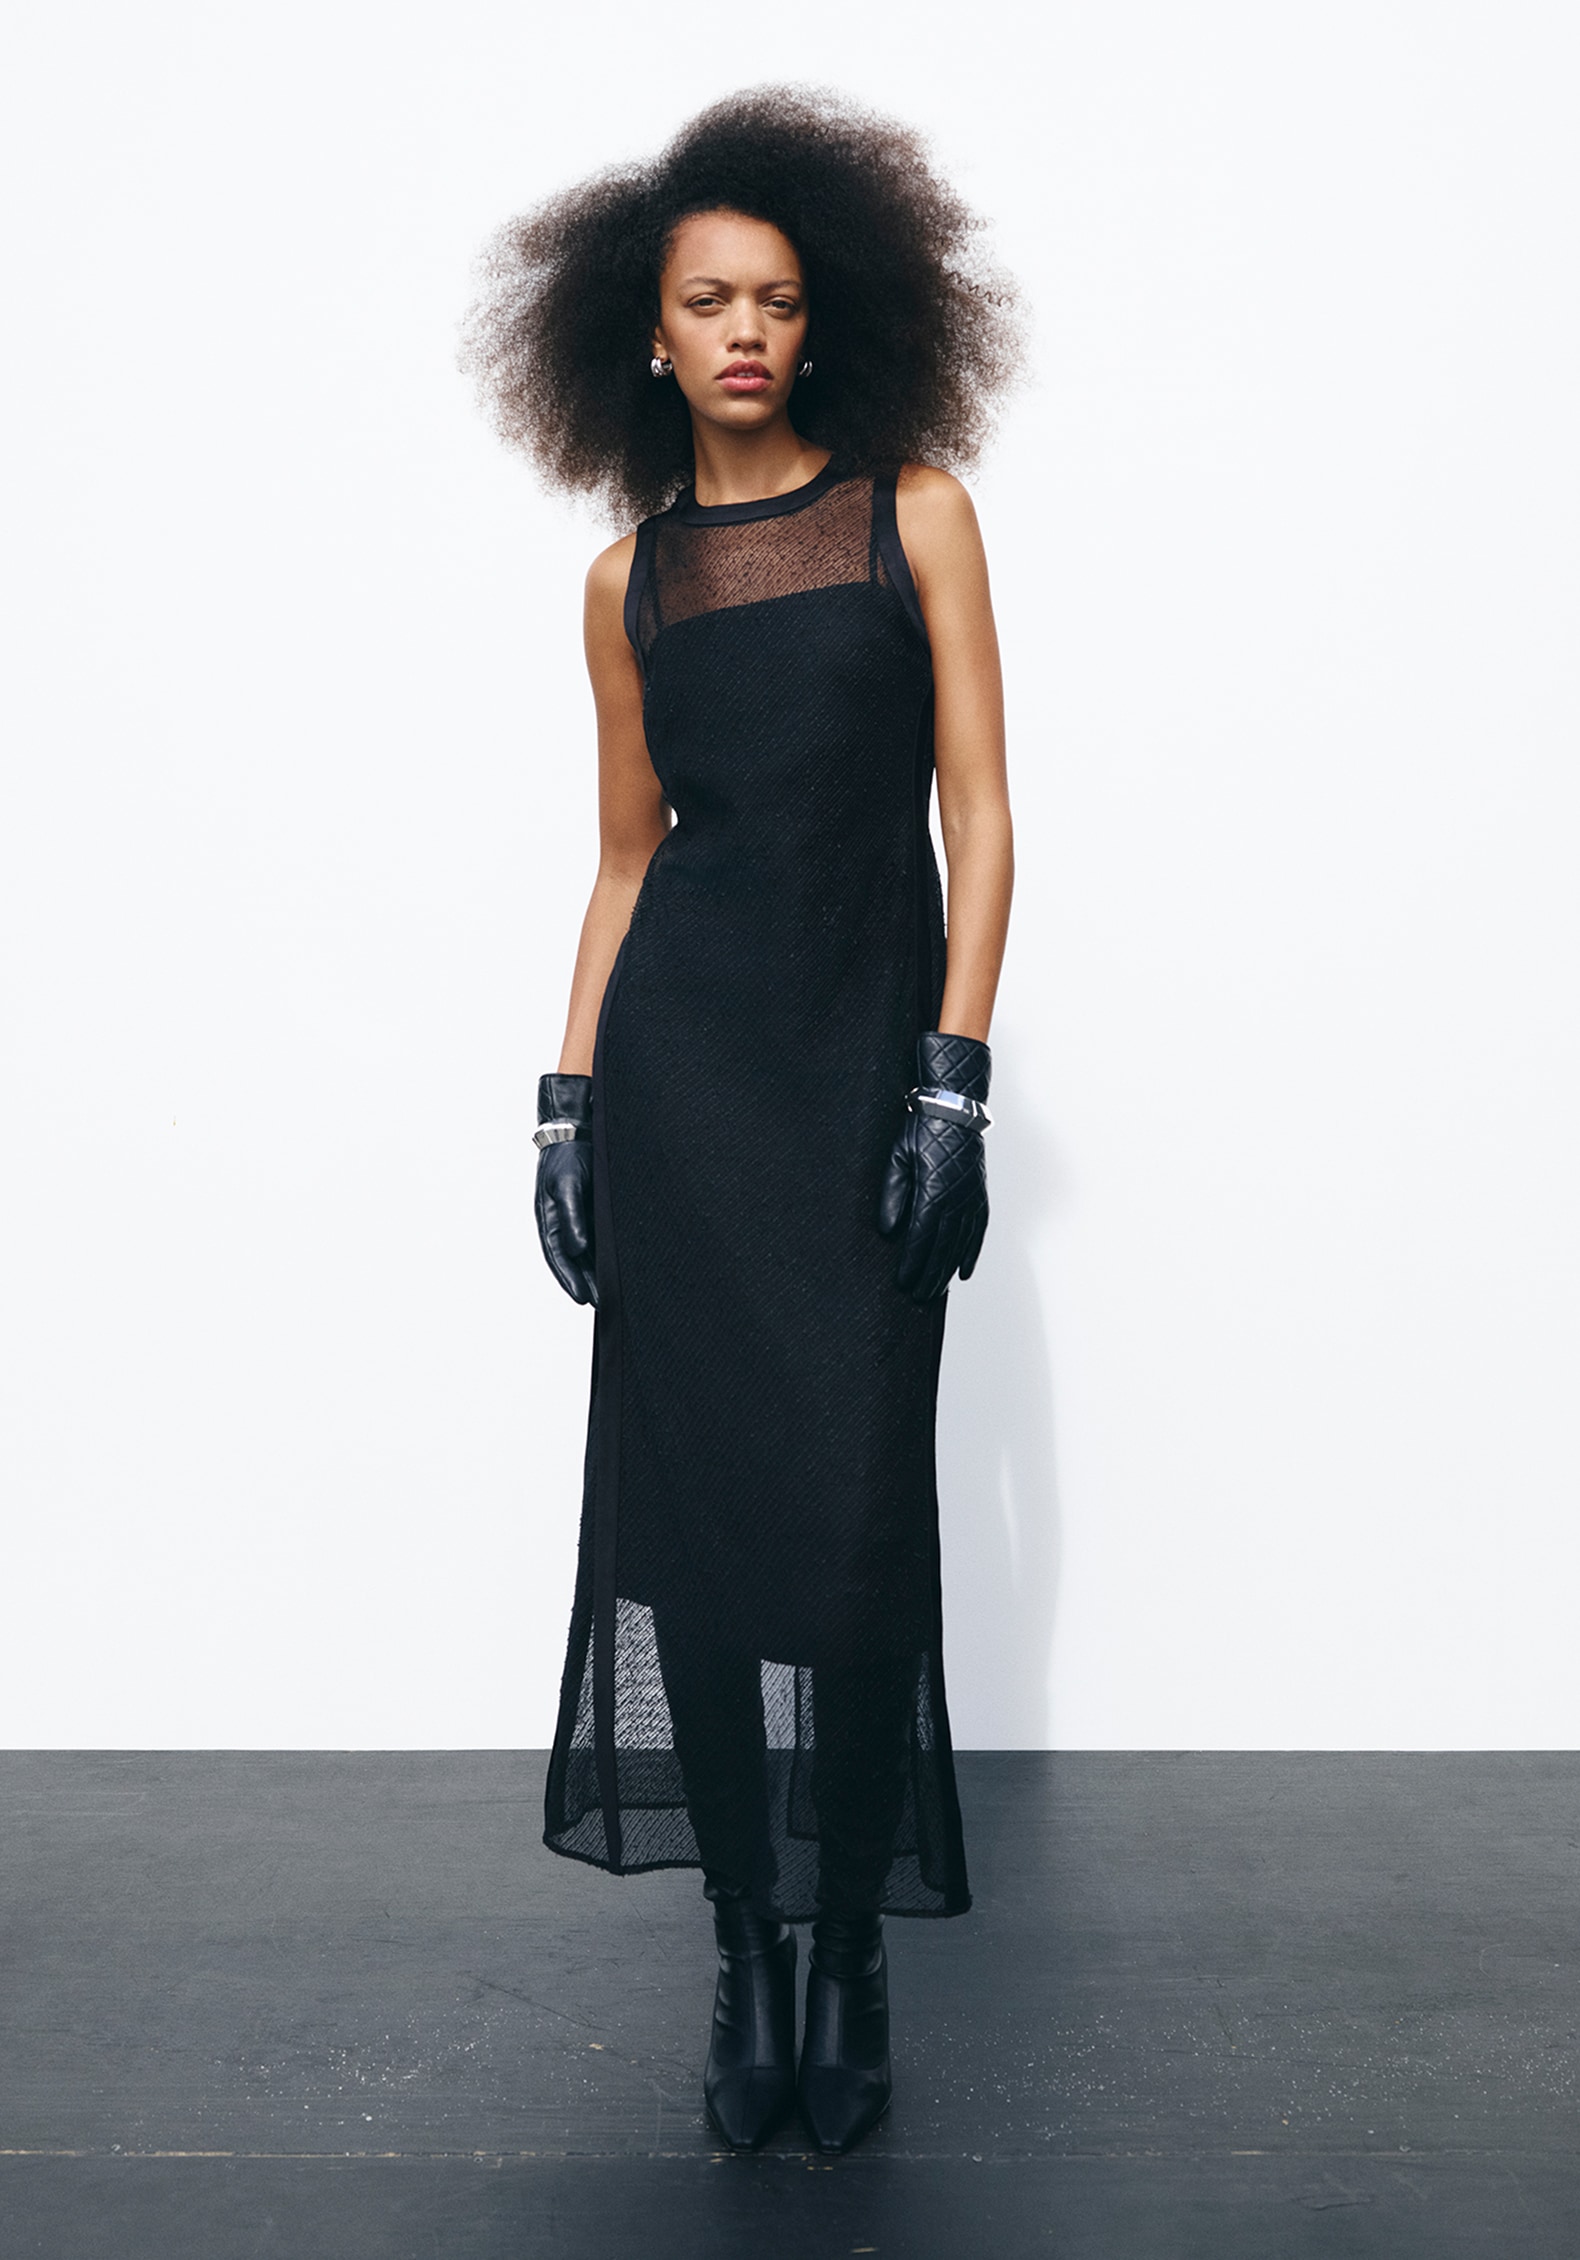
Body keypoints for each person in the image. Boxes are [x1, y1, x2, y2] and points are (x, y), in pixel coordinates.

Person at [462, 86, 1016, 2155]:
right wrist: (566, 1108)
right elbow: (628, 861)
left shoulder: (914, 516)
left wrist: (952, 1078)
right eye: (708, 302)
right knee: (698, 1543)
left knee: (853, 1535)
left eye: (776, 299)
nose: (746, 331)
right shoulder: (624, 582)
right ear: (645, 331)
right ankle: (747, 1957)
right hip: (685, 1089)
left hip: (860, 1067)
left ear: (826, 313)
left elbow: (983, 817)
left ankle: (848, 1941)